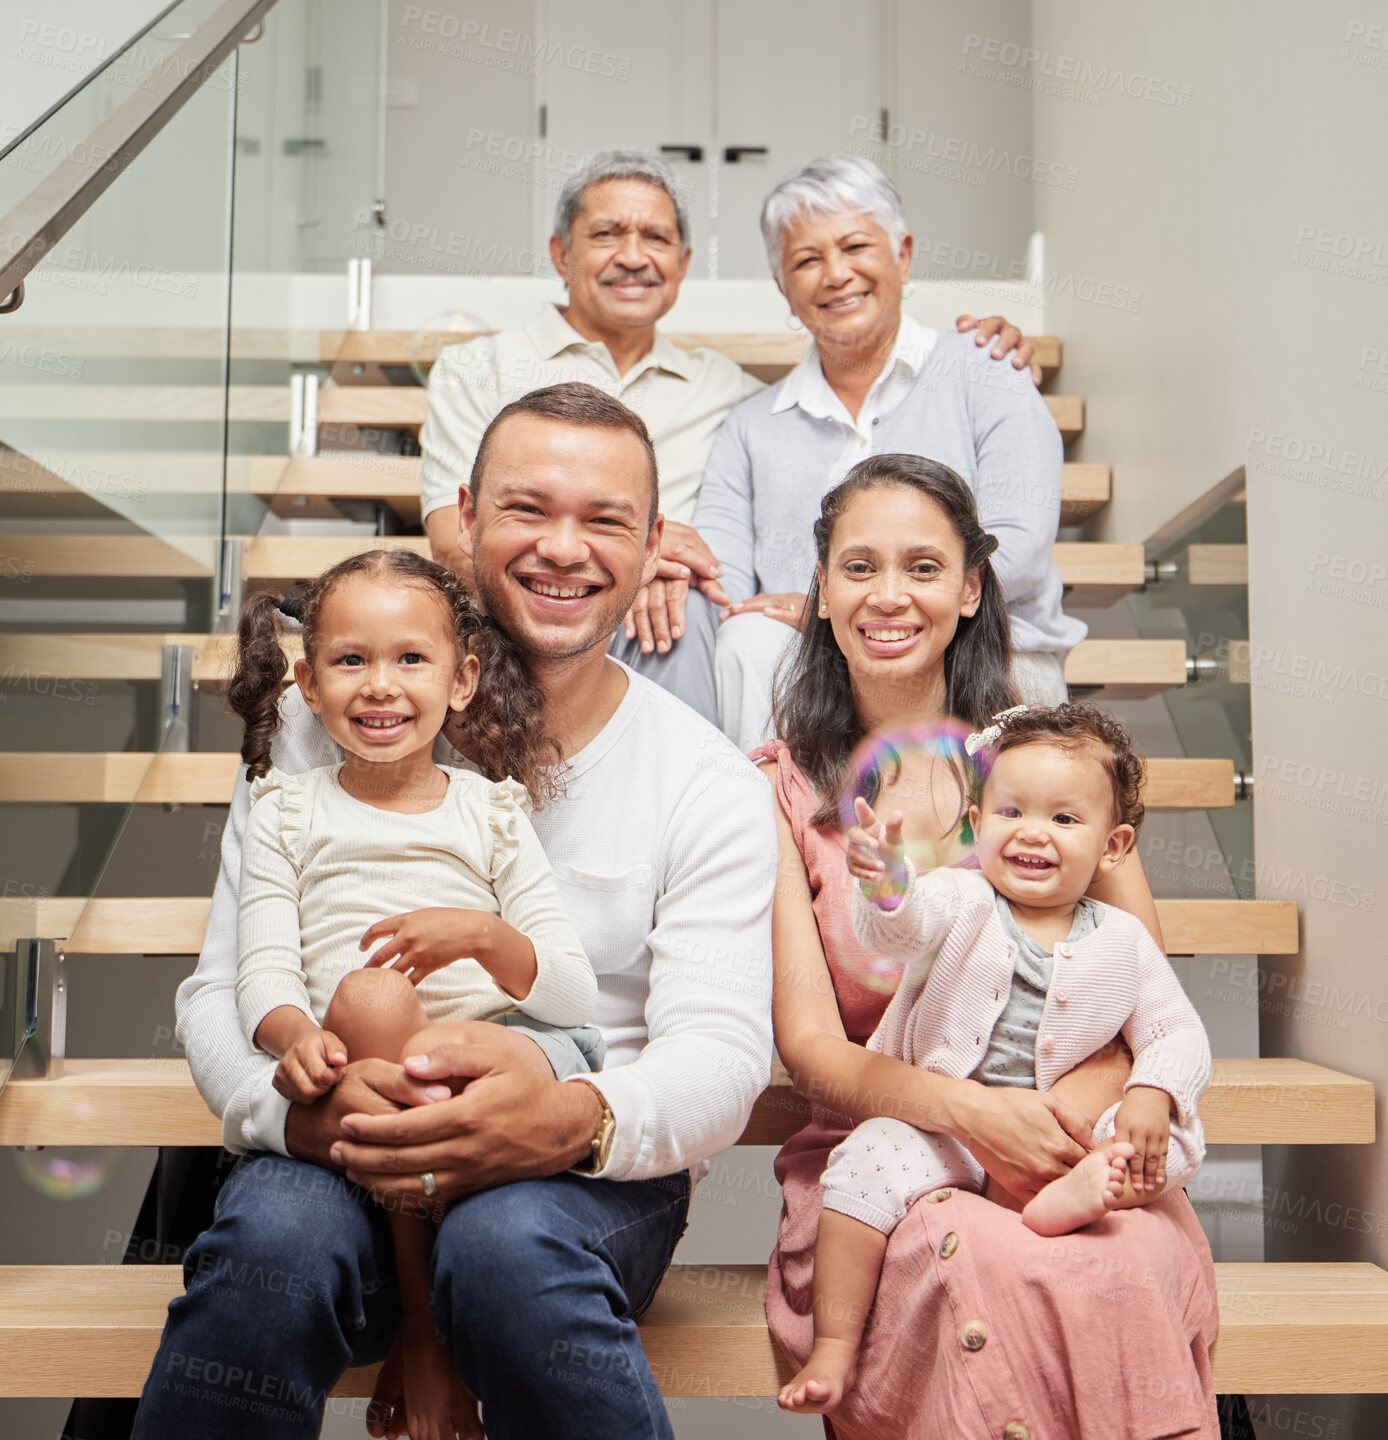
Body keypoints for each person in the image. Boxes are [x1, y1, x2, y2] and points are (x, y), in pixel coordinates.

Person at [132, 383, 777, 1440]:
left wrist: (572, 1121)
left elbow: (717, 1054)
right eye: (527, 509)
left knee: (507, 1248)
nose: (562, 548)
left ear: (653, 543)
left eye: (604, 519)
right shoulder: (318, 726)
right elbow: (226, 981)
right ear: (466, 518)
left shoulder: (702, 781)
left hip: (581, 1172)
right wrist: (294, 1110)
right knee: (269, 1250)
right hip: (344, 1136)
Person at [757, 454, 1220, 1440]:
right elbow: (809, 1051)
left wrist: (1055, 1121)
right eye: (858, 567)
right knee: (991, 1267)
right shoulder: (776, 791)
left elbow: (1134, 981)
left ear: (970, 588)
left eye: (923, 567)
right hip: (887, 1147)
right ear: (822, 592)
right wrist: (975, 1117)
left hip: (1073, 1132)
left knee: (1116, 1257)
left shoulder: (1047, 769)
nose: (889, 596)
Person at [418, 149, 1039, 720]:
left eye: (656, 238)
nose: (634, 256)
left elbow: (716, 566)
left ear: (683, 264)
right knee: (699, 615)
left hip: (665, 624)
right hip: (535, 609)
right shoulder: (481, 370)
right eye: (607, 234)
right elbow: (456, 541)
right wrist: (641, 560)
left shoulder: (727, 390)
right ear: (560, 254)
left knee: (681, 613)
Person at [227, 549, 603, 1439]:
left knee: (383, 1008)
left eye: (411, 659)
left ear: (462, 680)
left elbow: (573, 993)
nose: (380, 686)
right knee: (365, 1003)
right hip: (365, 1064)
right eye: (351, 661)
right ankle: (427, 1329)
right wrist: (293, 1037)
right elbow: (264, 972)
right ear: (309, 688)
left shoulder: (492, 812)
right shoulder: (287, 811)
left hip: (500, 1054)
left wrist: (479, 933)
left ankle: (419, 1327)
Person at [780, 702, 1211, 1416]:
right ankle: (835, 1343)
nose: (1033, 833)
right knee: (865, 1162)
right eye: (1011, 812)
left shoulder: (1126, 943)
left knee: (1147, 1155)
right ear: (978, 827)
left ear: (1113, 845)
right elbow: (902, 929)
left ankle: (1067, 1201)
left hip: (1065, 1136)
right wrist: (888, 885)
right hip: (946, 1128)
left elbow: (1176, 1032)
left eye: (1065, 820)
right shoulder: (962, 899)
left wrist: (1151, 1093)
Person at [695, 154, 1087, 750]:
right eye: (806, 260)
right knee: (746, 640)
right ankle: (772, 835)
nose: (834, 274)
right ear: (783, 288)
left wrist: (868, 607)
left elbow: (1022, 549)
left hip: (988, 656)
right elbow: (722, 584)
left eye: (855, 247)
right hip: (820, 673)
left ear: (902, 256)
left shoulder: (988, 371)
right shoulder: (750, 427)